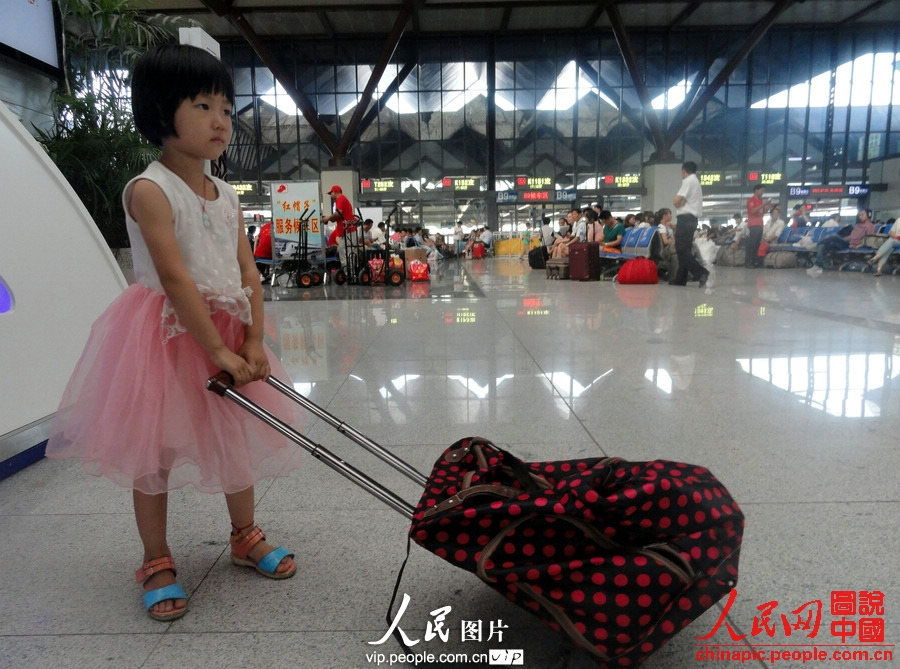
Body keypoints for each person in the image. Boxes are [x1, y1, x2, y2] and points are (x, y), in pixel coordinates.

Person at [44, 44, 300, 623]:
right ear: (161, 113)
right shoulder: (149, 189)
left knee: (236, 435)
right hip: (164, 338)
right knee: (153, 451)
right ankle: (156, 558)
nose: (220, 121)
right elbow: (174, 275)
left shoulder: (228, 195)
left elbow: (247, 272)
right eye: (203, 105)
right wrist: (212, 346)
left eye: (228, 110)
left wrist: (253, 340)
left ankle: (244, 535)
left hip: (228, 332)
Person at [671, 161, 710, 287]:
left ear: (684, 171)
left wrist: (679, 202)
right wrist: (681, 202)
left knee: (681, 249)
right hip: (692, 219)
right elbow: (681, 201)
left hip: (686, 218)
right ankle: (680, 279)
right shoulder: (696, 181)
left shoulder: (689, 180)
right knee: (685, 249)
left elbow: (676, 201)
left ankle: (701, 272)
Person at [322, 184, 359, 270]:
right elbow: (337, 217)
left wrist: (327, 218)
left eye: (331, 194)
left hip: (348, 230)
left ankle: (350, 273)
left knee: (347, 252)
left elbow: (338, 213)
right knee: (344, 251)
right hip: (346, 230)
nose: (331, 196)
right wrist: (329, 219)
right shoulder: (342, 200)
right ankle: (349, 272)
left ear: (334, 192)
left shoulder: (340, 199)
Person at [745, 185, 771, 267]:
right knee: (752, 244)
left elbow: (762, 212)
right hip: (753, 225)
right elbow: (753, 211)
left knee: (757, 245)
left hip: (760, 224)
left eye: (764, 191)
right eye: (762, 190)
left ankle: (754, 262)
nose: (763, 193)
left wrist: (768, 207)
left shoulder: (761, 201)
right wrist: (763, 204)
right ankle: (748, 262)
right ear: (756, 190)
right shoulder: (751, 200)